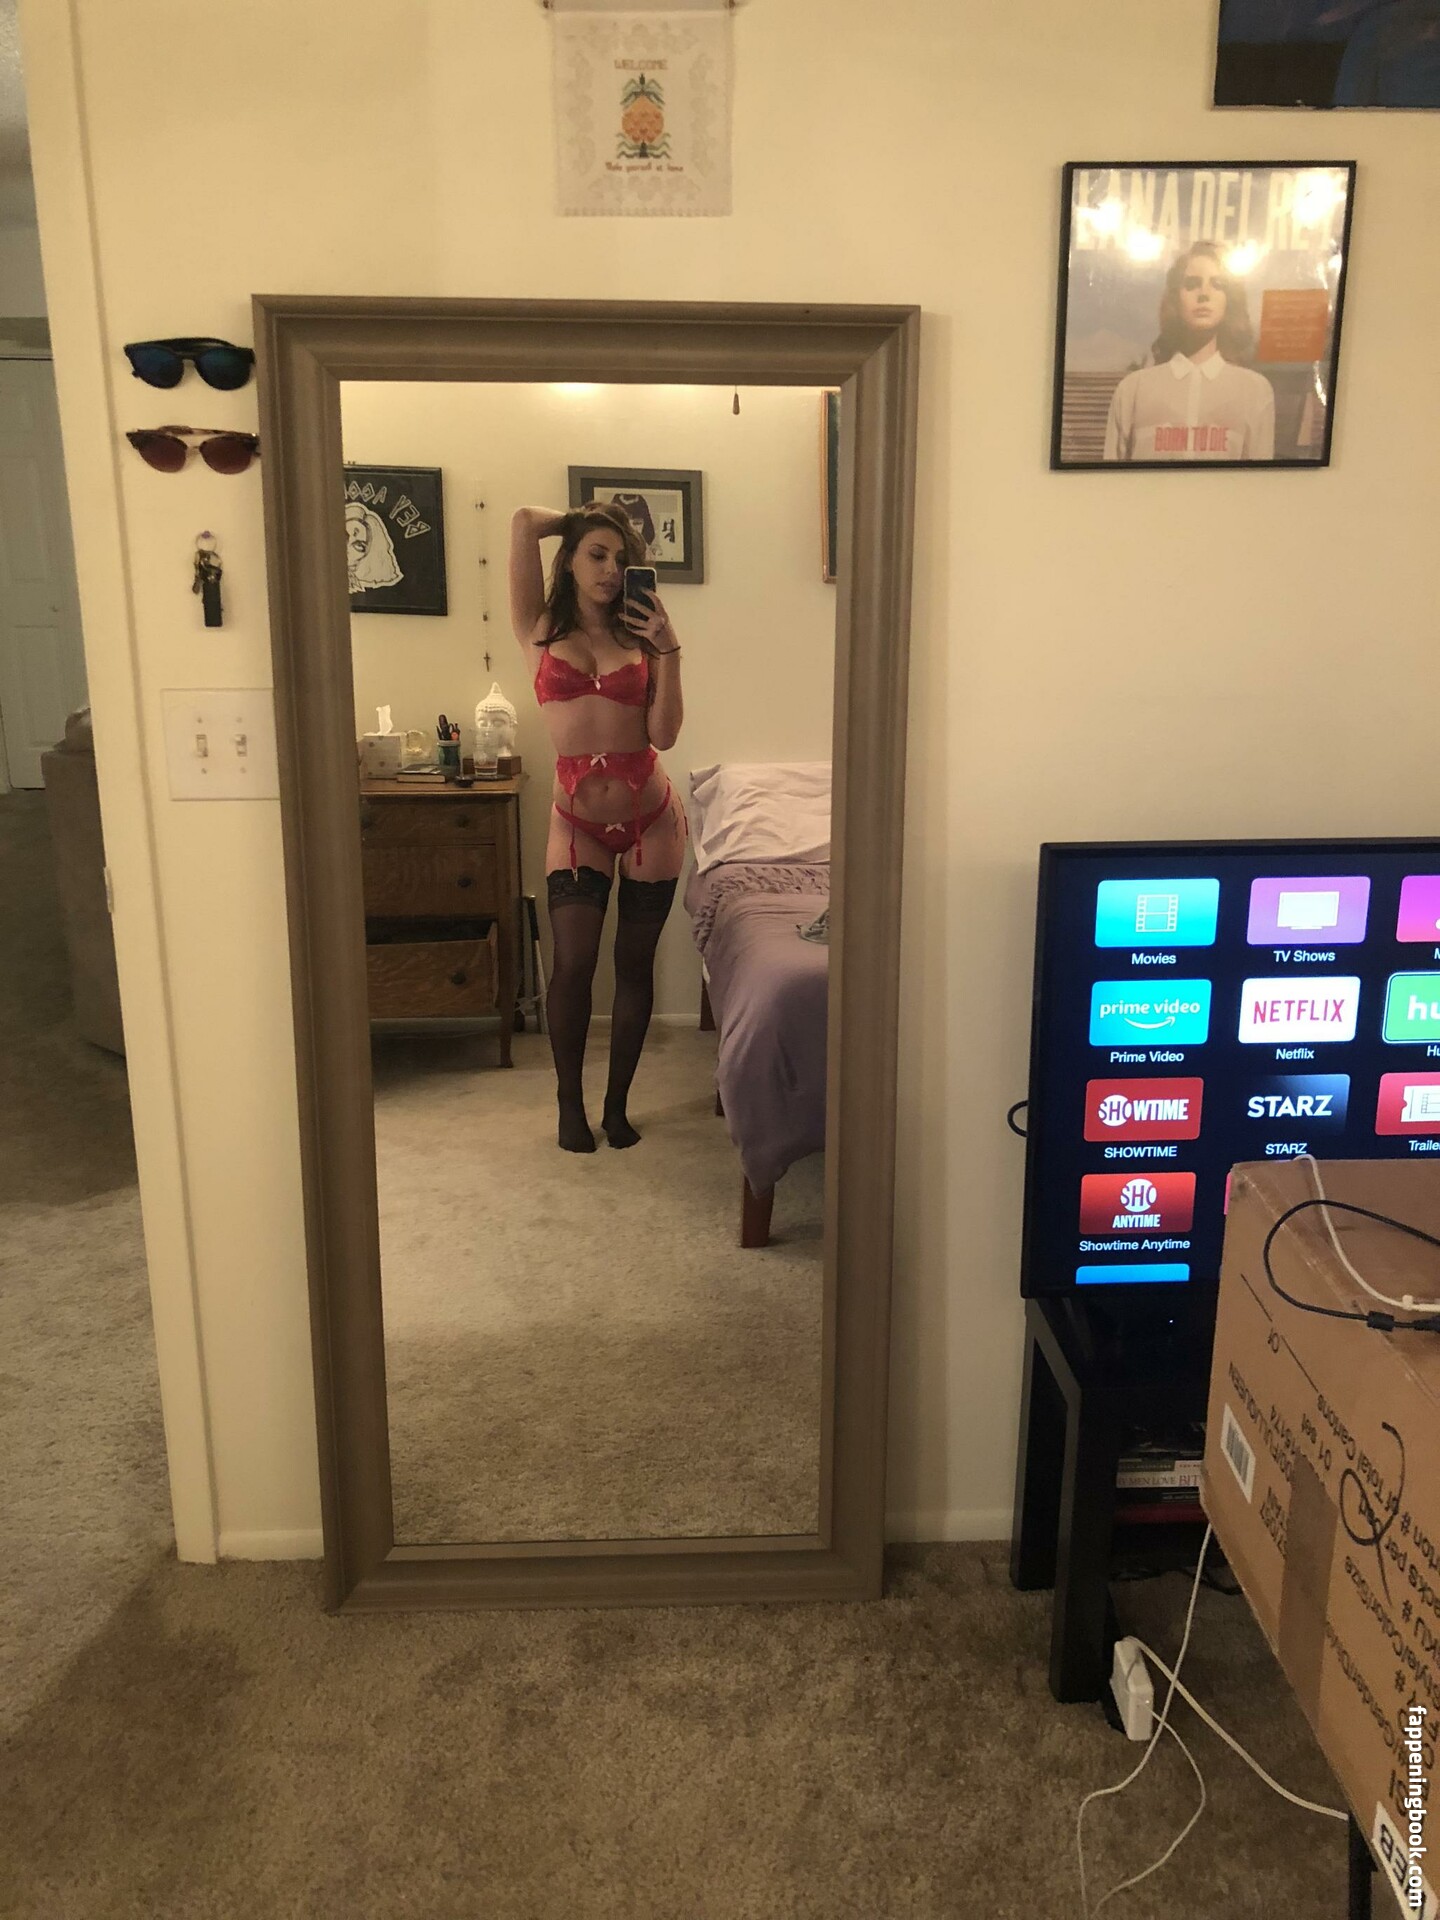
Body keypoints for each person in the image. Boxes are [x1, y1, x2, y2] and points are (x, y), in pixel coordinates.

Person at [509, 501, 687, 1153]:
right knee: (574, 963)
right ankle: (569, 1106)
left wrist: (669, 650)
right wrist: (587, 518)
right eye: (596, 554)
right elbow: (523, 521)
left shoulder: (643, 635)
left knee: (633, 966)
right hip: (576, 824)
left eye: (620, 558)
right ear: (569, 560)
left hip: (651, 824)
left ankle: (616, 1108)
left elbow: (664, 734)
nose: (611, 569)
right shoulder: (538, 627)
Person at [1103, 241, 1275, 462]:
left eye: (1218, 284)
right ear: (1175, 297)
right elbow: (1111, 477)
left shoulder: (1254, 390)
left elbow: (1259, 479)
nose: (1204, 294)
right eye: (1192, 284)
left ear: (1229, 298)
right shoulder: (1133, 390)